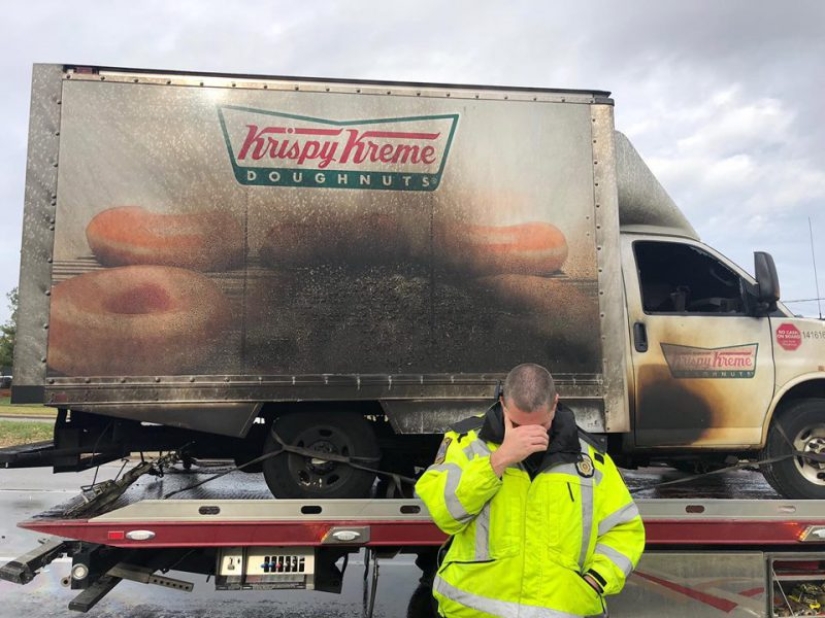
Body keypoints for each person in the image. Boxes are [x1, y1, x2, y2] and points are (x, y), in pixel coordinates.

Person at [415, 363, 645, 618]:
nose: (529, 435)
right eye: (517, 424)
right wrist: (497, 461)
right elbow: (445, 514)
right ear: (503, 403)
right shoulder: (466, 443)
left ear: (555, 404)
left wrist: (595, 581)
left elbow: (624, 530)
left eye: (541, 425)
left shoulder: (591, 460)